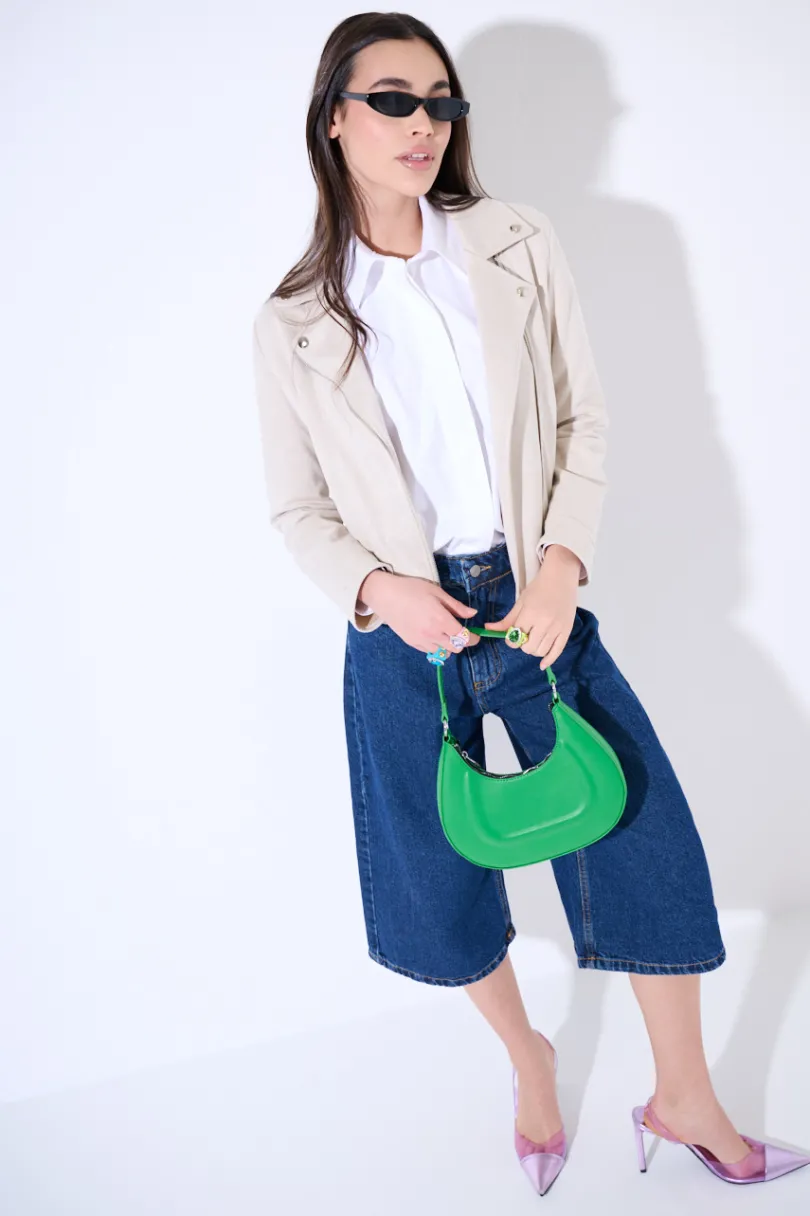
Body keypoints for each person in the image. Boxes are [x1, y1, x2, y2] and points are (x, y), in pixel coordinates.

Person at [251, 11, 810, 1197]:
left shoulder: (512, 242)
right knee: (435, 876)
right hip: (403, 629)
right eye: (392, 99)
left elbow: (581, 417)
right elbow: (297, 510)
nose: (422, 123)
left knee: (642, 829)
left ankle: (683, 1094)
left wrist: (560, 566)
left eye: (439, 101)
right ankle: (530, 1059)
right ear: (334, 117)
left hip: (531, 595)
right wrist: (379, 589)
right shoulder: (294, 317)